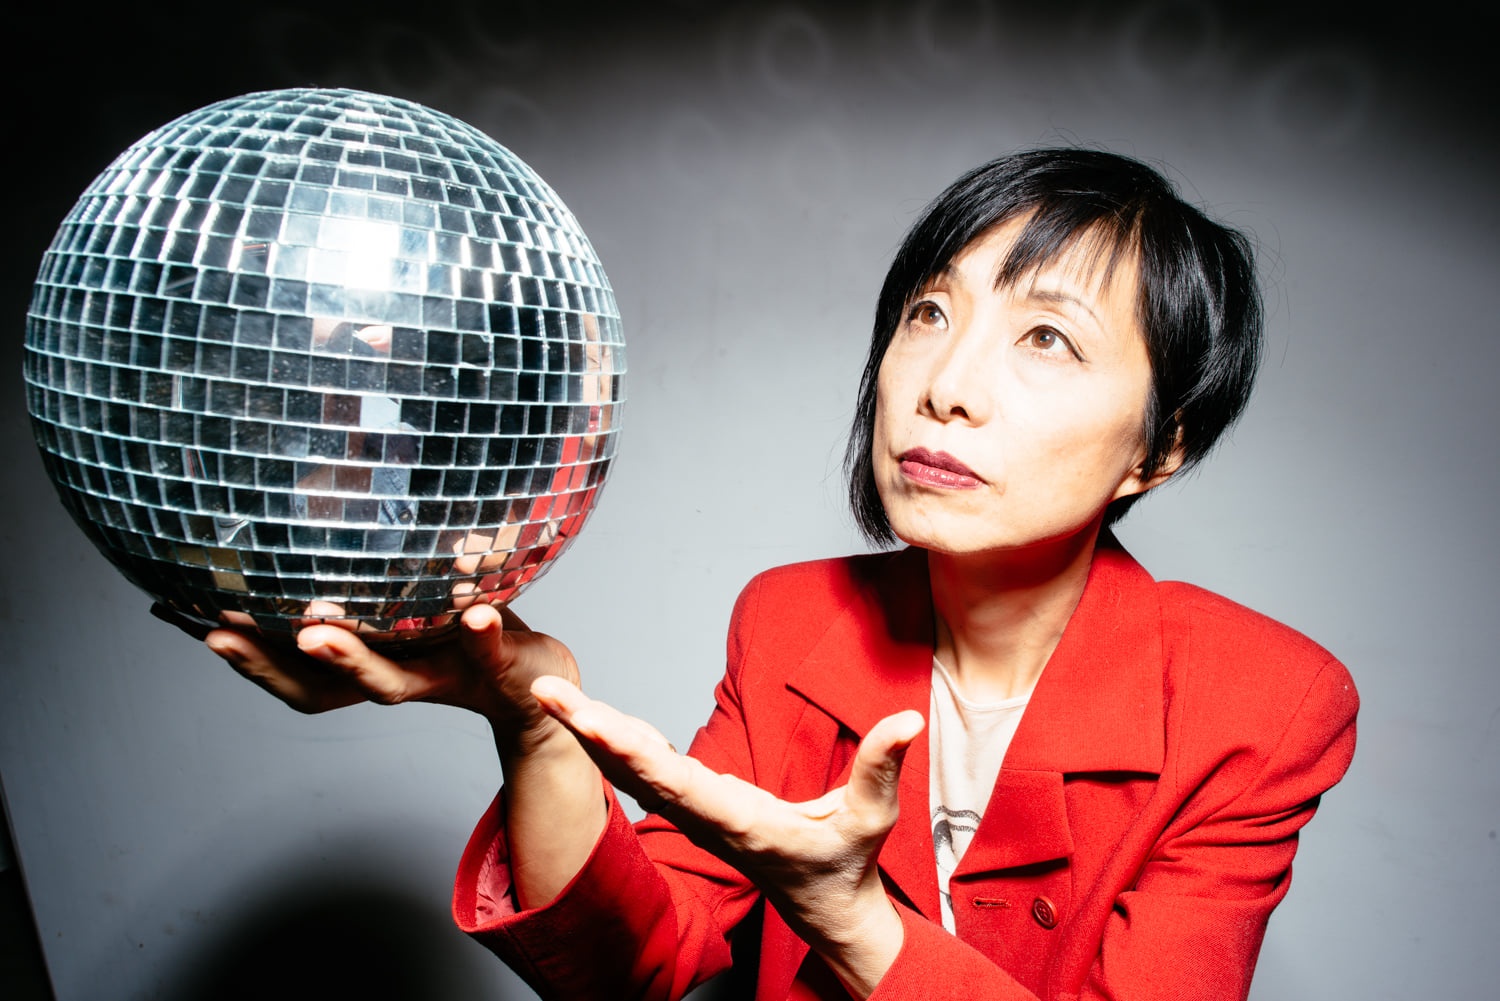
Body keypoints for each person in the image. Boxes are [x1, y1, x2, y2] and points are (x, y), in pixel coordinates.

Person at [200, 147, 1358, 1000]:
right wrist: (529, 708)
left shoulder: (1262, 703)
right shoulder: (794, 621)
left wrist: (847, 915)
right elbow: (633, 969)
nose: (944, 380)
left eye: (1046, 337)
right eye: (928, 311)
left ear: (1160, 447)